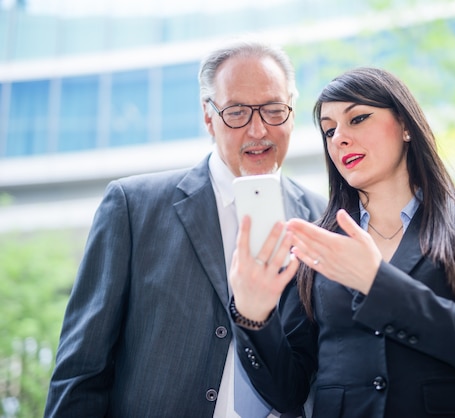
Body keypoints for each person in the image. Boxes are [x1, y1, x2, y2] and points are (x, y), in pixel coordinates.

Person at [44, 39, 326, 417]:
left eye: (274, 110)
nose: (258, 130)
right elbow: (81, 372)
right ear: (208, 116)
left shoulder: (321, 220)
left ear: (291, 112)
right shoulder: (133, 207)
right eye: (237, 112)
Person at [228, 67, 455, 417]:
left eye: (358, 118)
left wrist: (378, 283)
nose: (339, 137)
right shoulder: (316, 245)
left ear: (404, 126)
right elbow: (288, 393)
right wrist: (252, 317)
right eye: (329, 129)